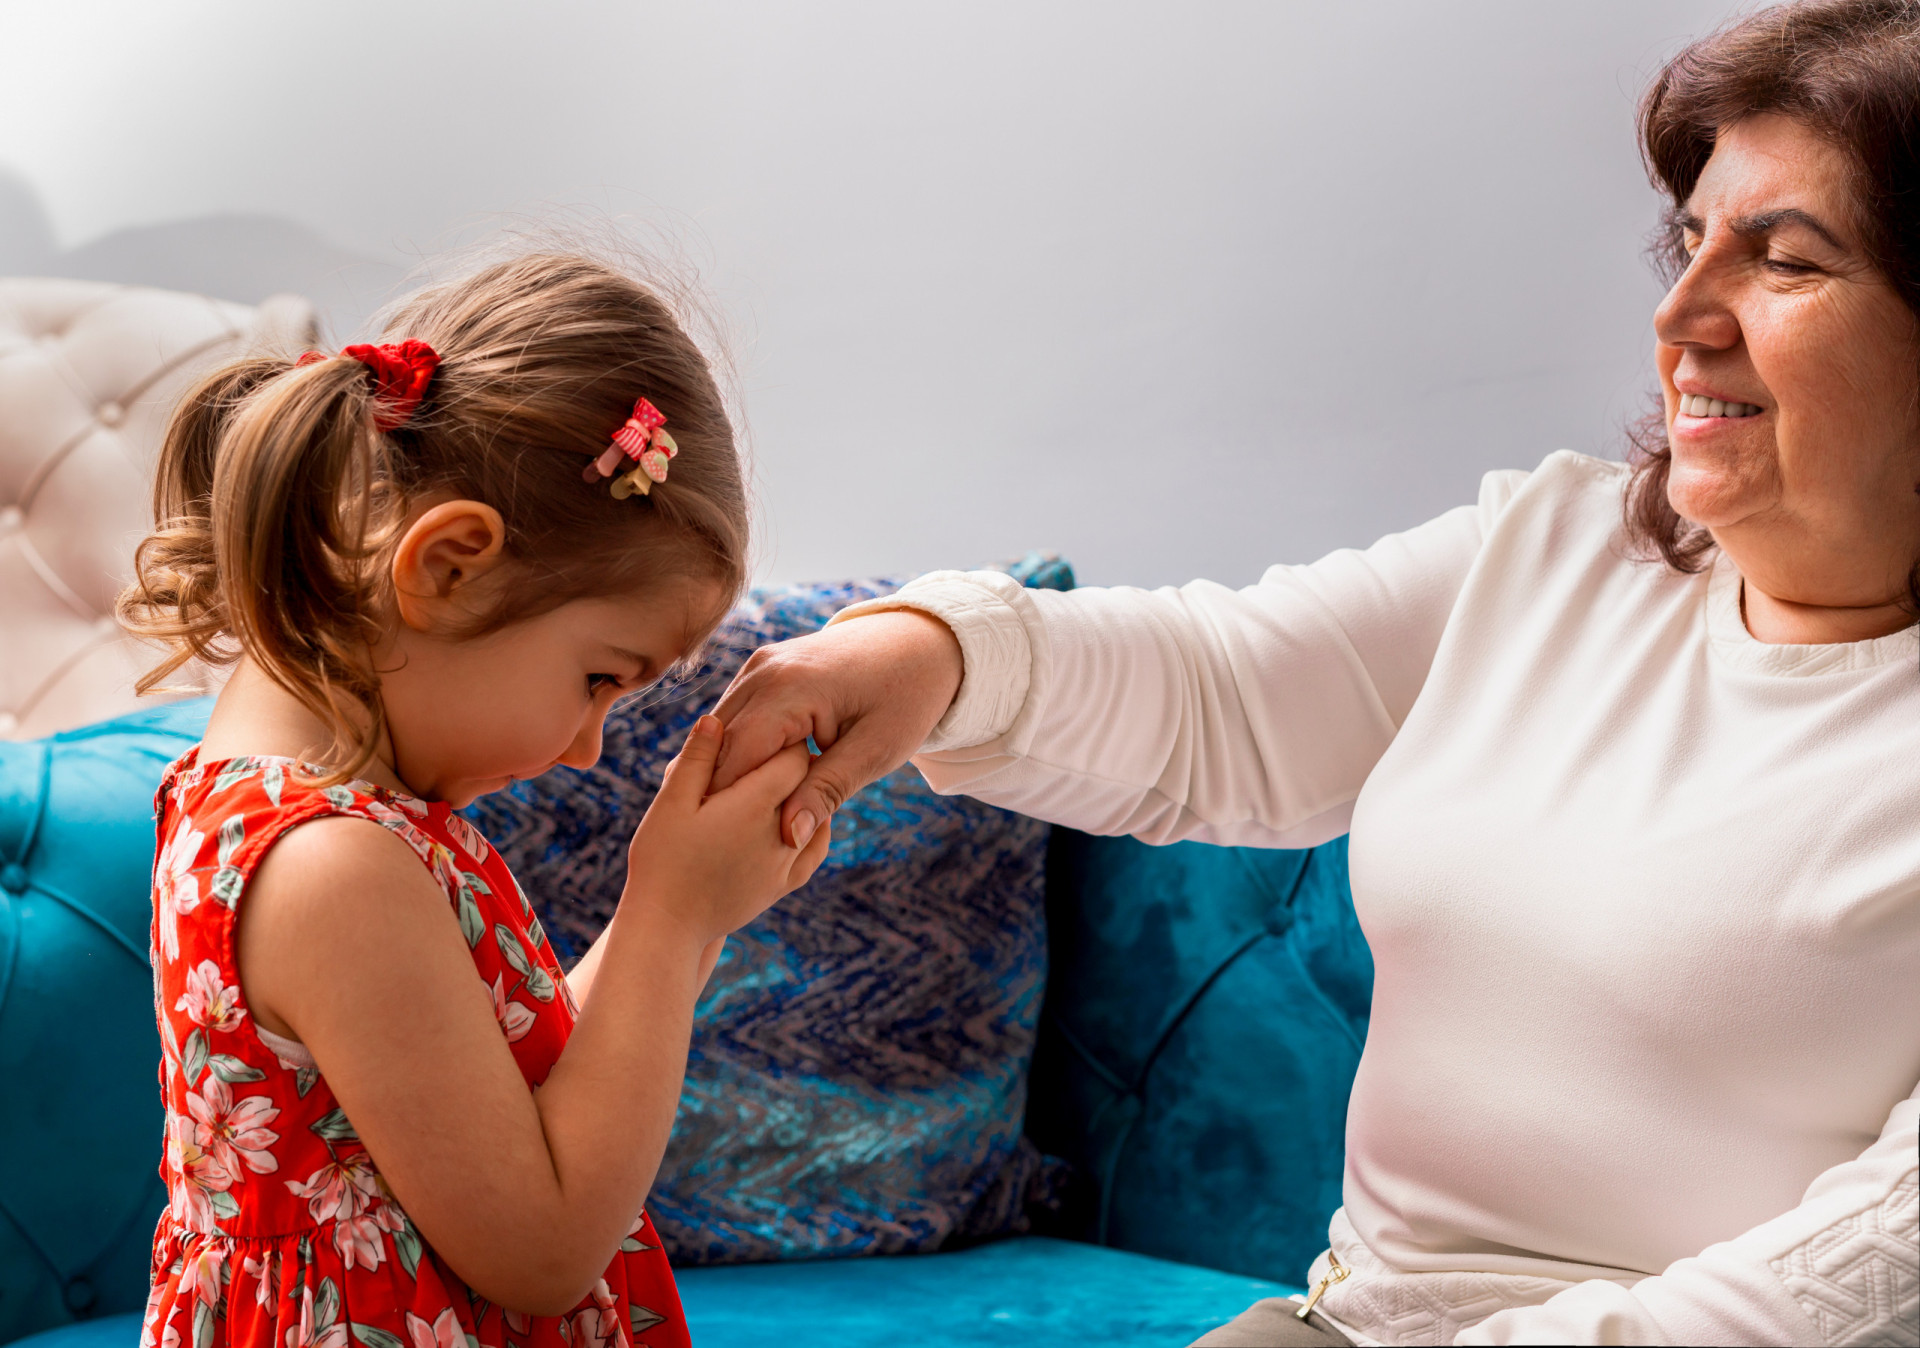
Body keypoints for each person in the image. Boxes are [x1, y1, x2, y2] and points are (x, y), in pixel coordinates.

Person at [705, 3, 1920, 1344]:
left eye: (1785, 263)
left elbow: (1842, 1291)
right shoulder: (1556, 553)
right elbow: (1225, 697)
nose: (1683, 317)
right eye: (1688, 245)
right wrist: (938, 655)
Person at [119, 253, 832, 1348]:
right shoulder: (330, 868)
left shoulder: (318, 824)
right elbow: (543, 1248)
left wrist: (697, 914)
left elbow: (531, 1108)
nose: (590, 747)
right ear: (449, 563)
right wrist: (668, 911)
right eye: (603, 677)